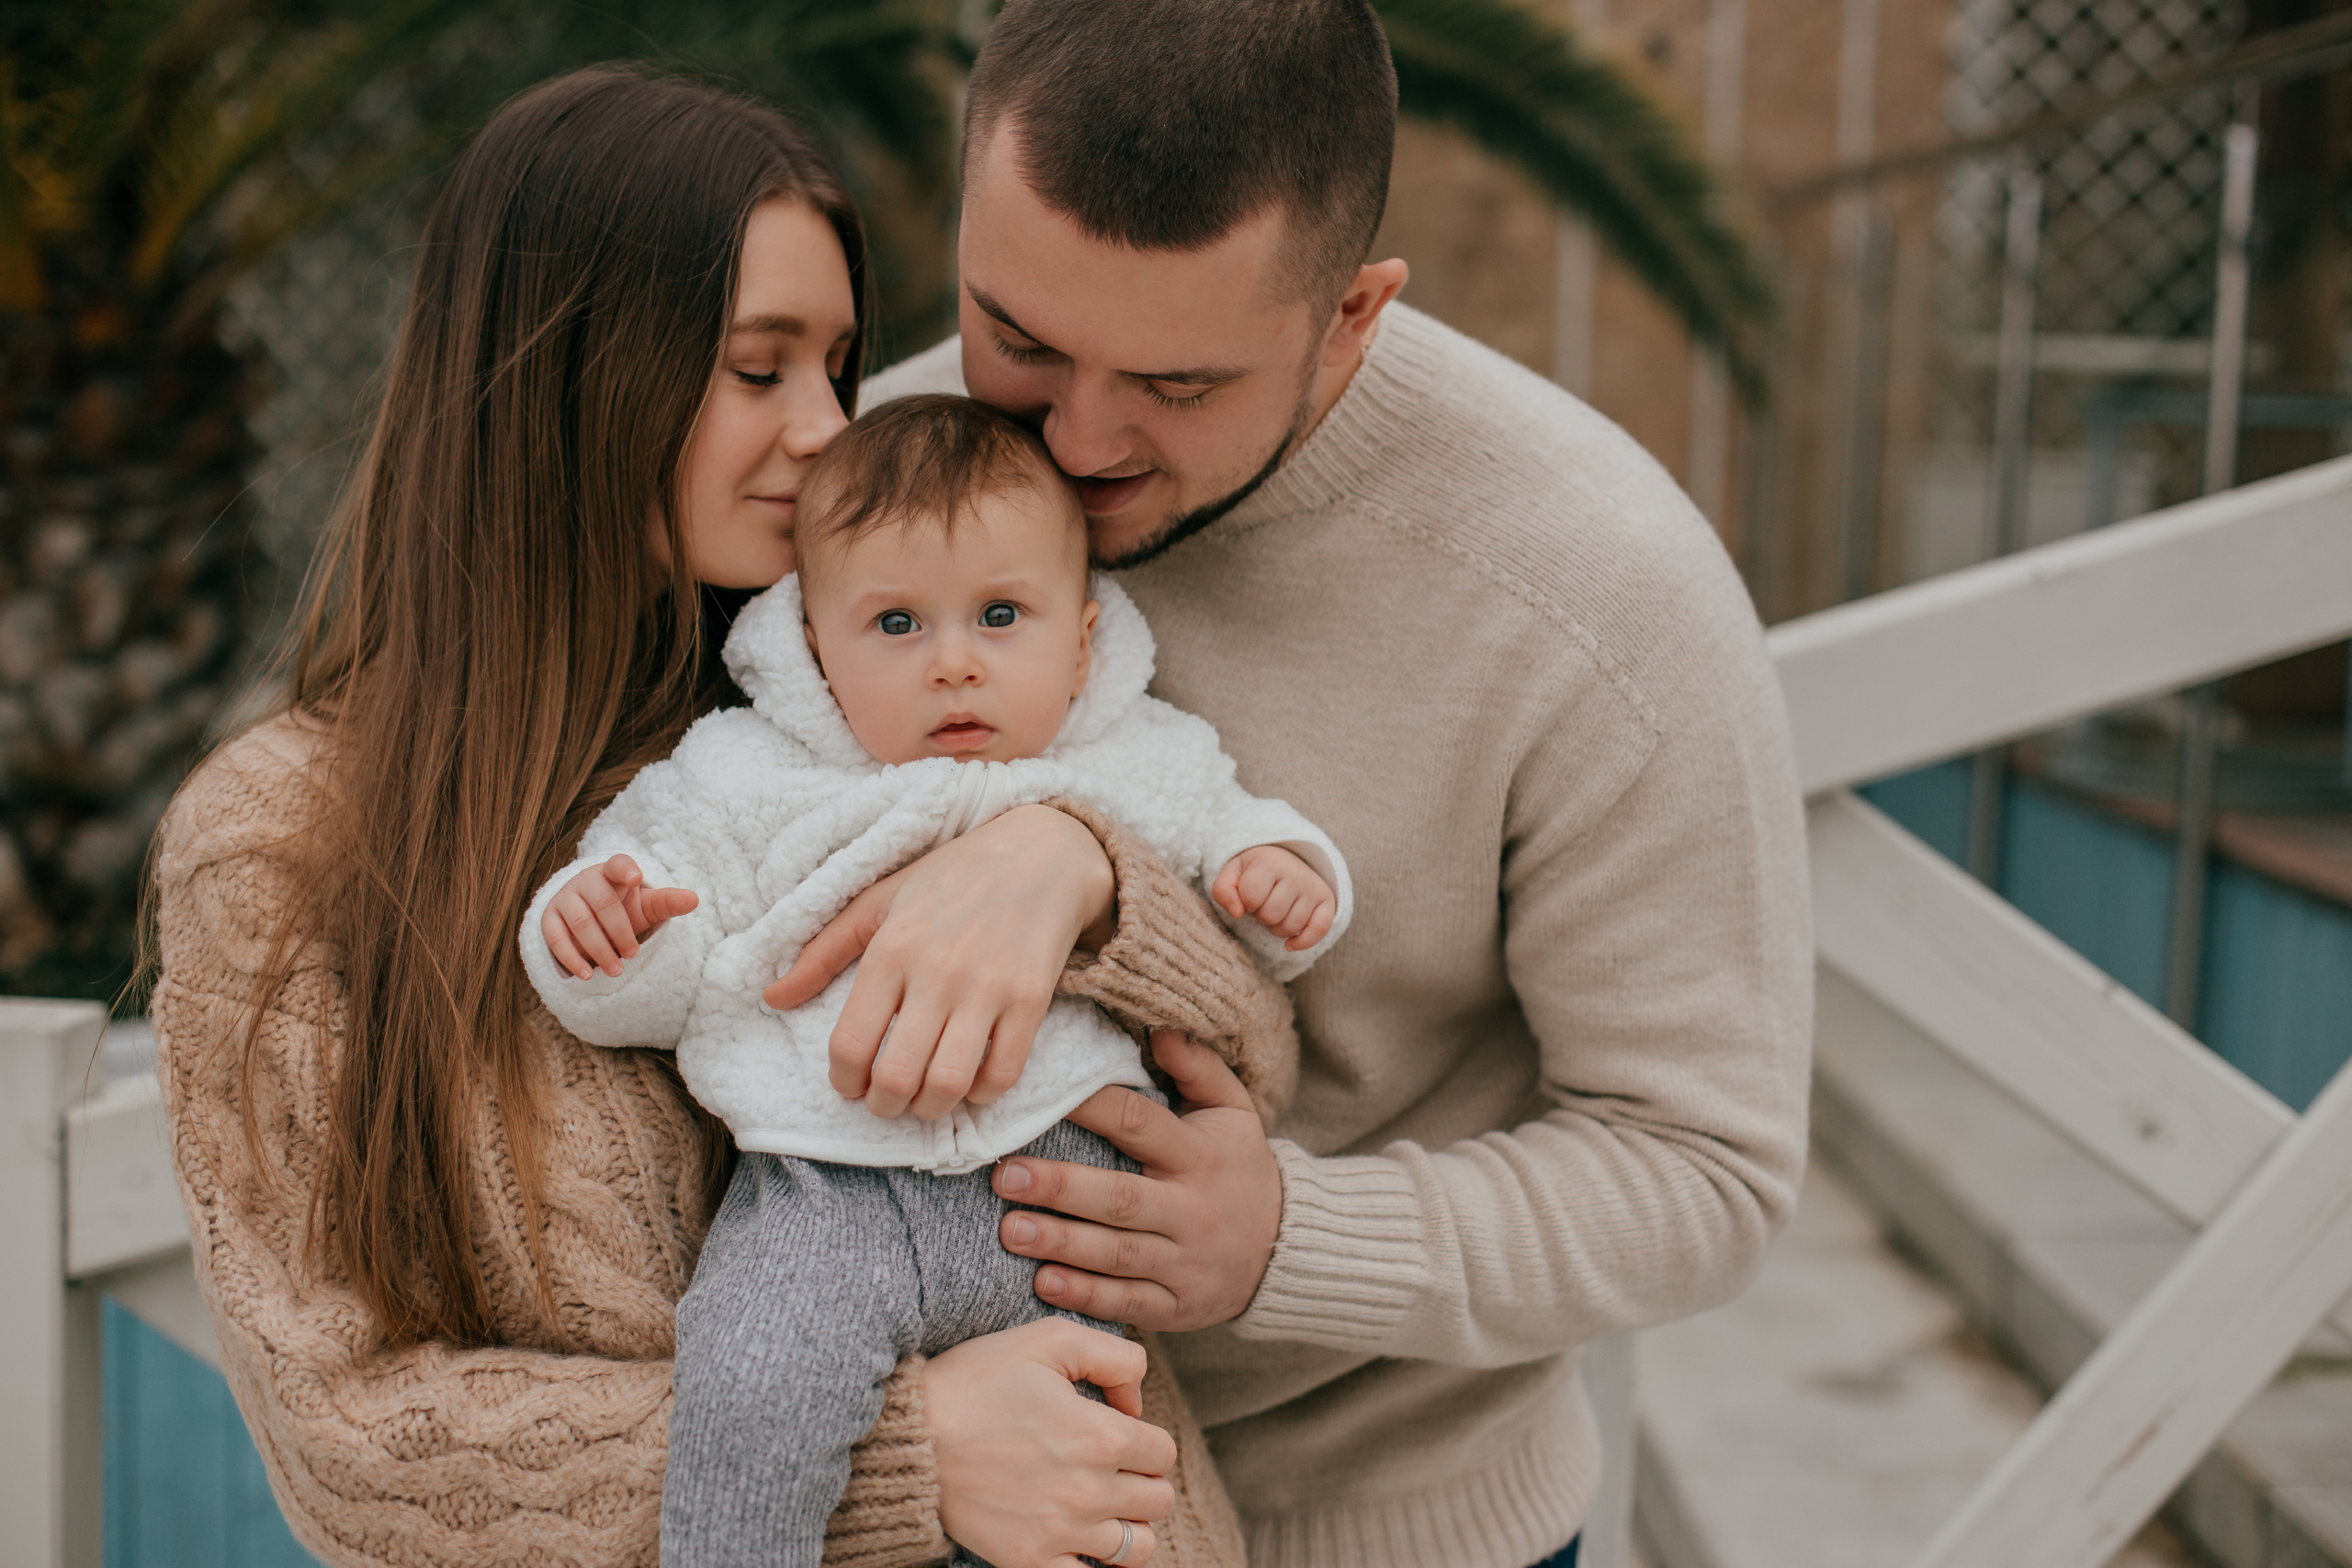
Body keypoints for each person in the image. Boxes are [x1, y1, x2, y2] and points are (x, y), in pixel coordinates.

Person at [147, 67, 1290, 1568]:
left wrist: (1075, 867)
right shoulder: (283, 840)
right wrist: (915, 1452)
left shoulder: (883, 693)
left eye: (836, 362)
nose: (830, 428)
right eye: (761, 370)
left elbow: (1252, 1065)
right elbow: (348, 1439)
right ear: (579, 373)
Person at [789, 3, 1815, 1566]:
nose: (1072, 437)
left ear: (1352, 315)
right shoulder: (857, 484)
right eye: (1022, 338)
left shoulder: (1602, 589)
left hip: (1389, 1530)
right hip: (935, 1510)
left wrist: (1286, 1242)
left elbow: (1706, 1169)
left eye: (1177, 384)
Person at [521, 393, 1349, 1567]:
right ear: (813, 645)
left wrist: (1284, 874)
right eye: (896, 624)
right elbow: (659, 928)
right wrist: (604, 935)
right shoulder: (744, 775)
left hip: (1066, 1201)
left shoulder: (1135, 759)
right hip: (828, 1195)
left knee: (1088, 1487)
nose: (954, 661)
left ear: (1081, 642)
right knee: (749, 1389)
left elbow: (1233, 865)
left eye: (1000, 616)